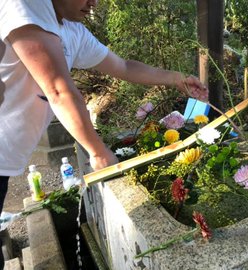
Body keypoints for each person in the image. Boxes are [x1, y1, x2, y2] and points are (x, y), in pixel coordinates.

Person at [0, 0, 208, 267]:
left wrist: (176, 78)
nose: (93, 4)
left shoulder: (73, 31)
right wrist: (97, 151)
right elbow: (58, 89)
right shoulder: (27, 5)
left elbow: (123, 67)